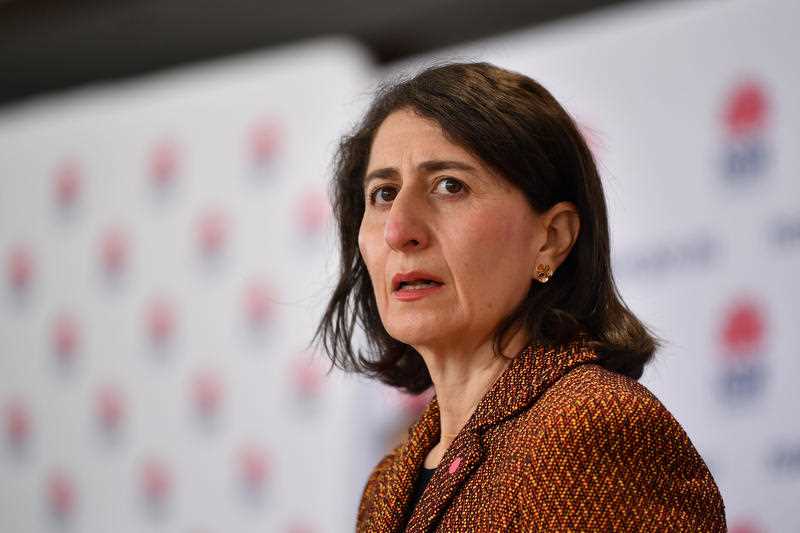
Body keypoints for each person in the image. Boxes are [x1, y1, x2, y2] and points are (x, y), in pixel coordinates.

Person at [313, 62, 726, 531]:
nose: (398, 230)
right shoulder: (390, 484)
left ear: (551, 239)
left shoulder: (590, 432)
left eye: (450, 185)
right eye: (383, 193)